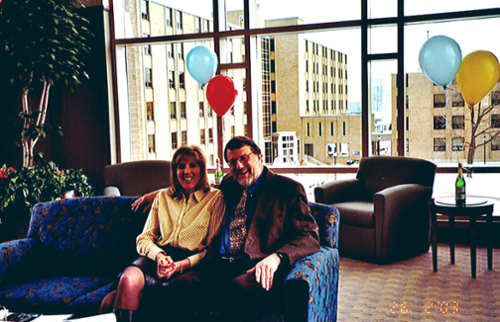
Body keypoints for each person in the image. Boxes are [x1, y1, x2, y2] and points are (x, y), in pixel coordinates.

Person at [134, 136, 320, 321]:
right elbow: (199, 187)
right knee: (182, 284)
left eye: (243, 158)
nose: (238, 166)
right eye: (232, 162)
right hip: (218, 264)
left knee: (238, 289)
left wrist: (277, 257)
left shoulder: (288, 189)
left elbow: (310, 235)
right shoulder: (230, 184)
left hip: (254, 267)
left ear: (259, 156)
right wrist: (157, 194)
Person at [99, 145, 226, 322]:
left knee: (109, 302)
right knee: (128, 279)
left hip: (191, 262)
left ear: (202, 169)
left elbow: (210, 248)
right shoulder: (163, 197)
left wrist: (179, 265)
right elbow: (144, 238)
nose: (186, 171)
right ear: (174, 171)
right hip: (158, 256)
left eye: (193, 165)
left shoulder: (215, 198)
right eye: (181, 166)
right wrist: (159, 256)